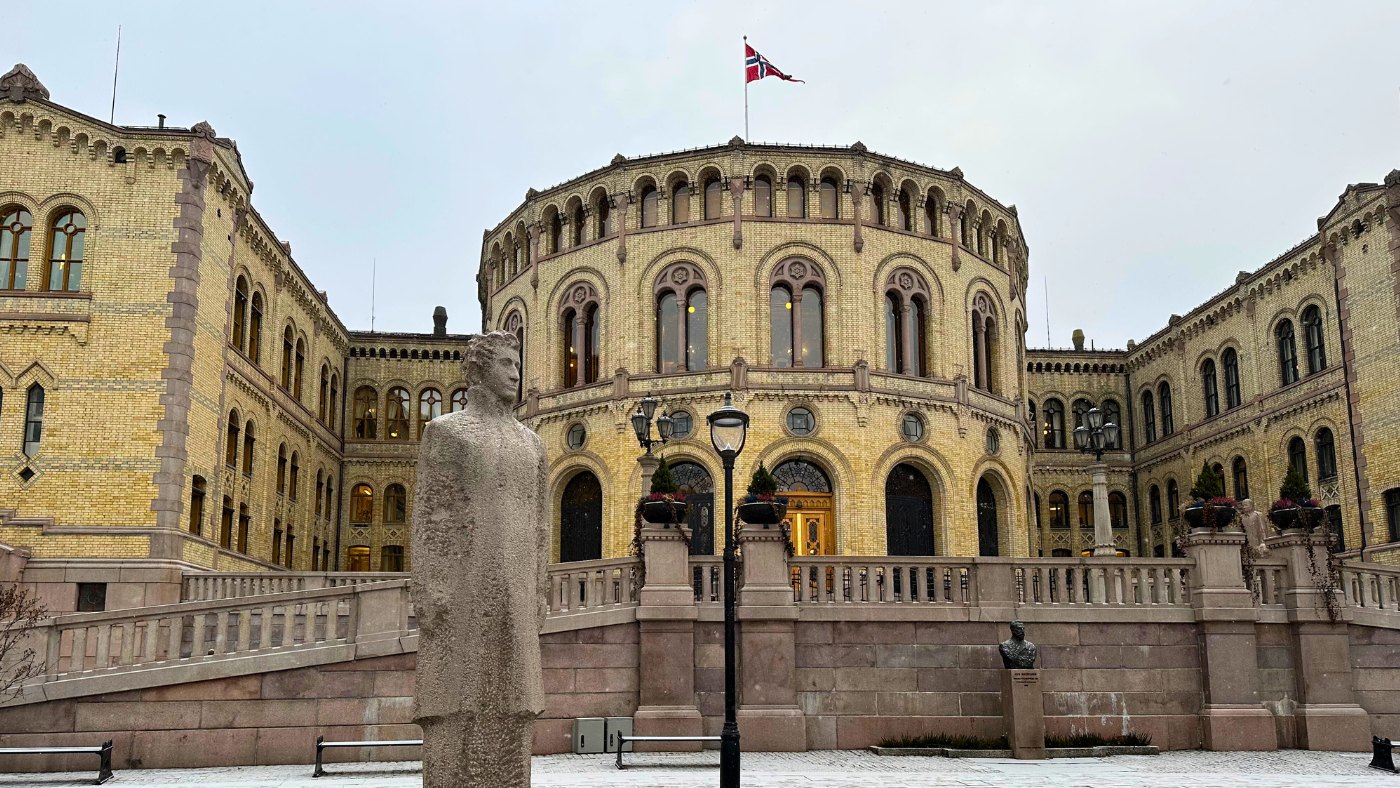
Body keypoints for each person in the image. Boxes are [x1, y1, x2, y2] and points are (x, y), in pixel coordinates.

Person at [411, 331, 547, 788]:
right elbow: (433, 514)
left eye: (517, 363)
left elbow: (541, 525)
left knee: (514, 694)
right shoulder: (447, 432)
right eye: (507, 364)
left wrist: (538, 588)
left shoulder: (532, 444)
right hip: (465, 590)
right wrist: (431, 588)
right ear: (480, 371)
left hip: (516, 590)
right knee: (459, 691)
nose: (516, 373)